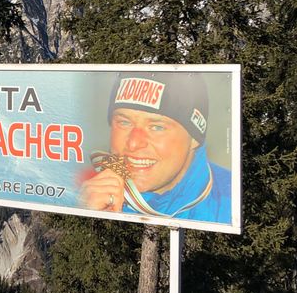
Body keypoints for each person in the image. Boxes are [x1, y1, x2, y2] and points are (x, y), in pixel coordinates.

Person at [77, 72, 231, 224]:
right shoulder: (81, 186)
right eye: (124, 122)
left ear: (194, 139)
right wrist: (87, 215)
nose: (133, 143)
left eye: (157, 127)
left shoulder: (231, 201)